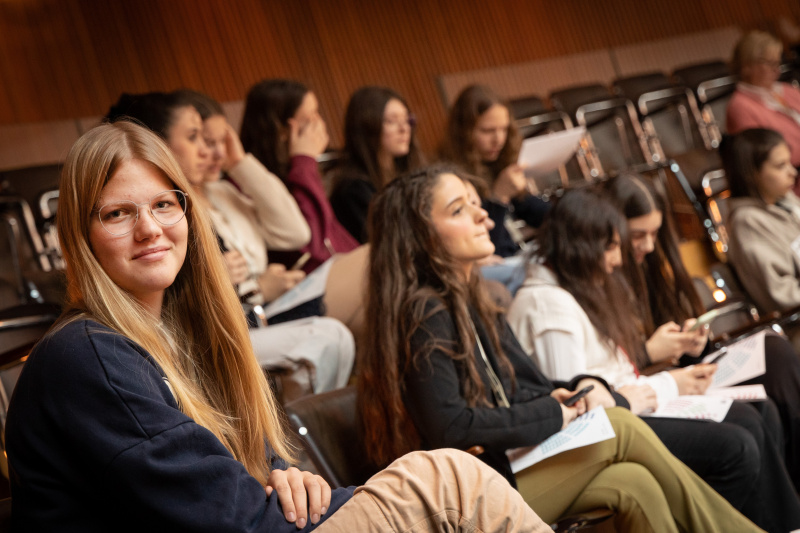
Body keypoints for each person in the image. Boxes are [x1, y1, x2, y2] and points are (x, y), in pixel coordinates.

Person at [5, 121, 553, 533]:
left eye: (164, 204)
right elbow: (233, 521)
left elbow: (243, 475)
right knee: (450, 482)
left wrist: (280, 473)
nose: (149, 228)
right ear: (80, 236)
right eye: (117, 214)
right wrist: (335, 500)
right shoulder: (87, 353)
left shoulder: (180, 338)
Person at [359, 165, 760, 532]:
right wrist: (555, 412)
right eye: (459, 209)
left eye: (476, 203)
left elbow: (524, 385)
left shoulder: (475, 296)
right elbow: (451, 426)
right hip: (466, 497)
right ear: (421, 234)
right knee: (619, 426)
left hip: (503, 468)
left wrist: (575, 389)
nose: (483, 216)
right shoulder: (424, 311)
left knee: (634, 483)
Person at [506, 187, 800, 532]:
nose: (618, 259)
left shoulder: (576, 288)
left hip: (633, 404)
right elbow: (581, 408)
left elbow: (614, 371)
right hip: (605, 431)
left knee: (759, 410)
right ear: (581, 247)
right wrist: (668, 383)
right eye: (612, 246)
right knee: (737, 445)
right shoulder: (547, 304)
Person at [106, 91, 354, 394]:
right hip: (236, 320)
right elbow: (180, 303)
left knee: (349, 309)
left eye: (216, 140)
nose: (209, 151)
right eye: (196, 138)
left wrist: (239, 162)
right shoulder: (176, 215)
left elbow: (295, 233)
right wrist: (255, 288)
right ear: (159, 146)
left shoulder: (220, 192)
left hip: (252, 311)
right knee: (329, 337)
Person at [604, 171, 800, 487]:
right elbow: (608, 371)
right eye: (638, 235)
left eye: (654, 233)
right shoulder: (599, 279)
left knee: (773, 351)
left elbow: (677, 344)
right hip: (650, 391)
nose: (649, 245)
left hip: (683, 374)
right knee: (755, 413)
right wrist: (648, 352)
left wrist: (693, 343)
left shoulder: (653, 266)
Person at [240, 79, 359, 272]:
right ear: (281, 130)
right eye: (309, 118)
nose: (319, 124)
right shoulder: (250, 184)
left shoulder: (300, 167)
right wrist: (304, 161)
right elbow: (314, 247)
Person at [439, 84, 550, 258]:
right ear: (463, 132)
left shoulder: (496, 162)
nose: (498, 139)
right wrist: (498, 198)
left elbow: (533, 211)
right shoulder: (449, 178)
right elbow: (485, 246)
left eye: (504, 129)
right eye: (488, 131)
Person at [328, 86, 425, 243]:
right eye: (392, 121)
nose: (404, 128)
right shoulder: (352, 190)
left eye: (407, 120)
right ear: (367, 127)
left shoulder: (411, 172)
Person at [723, 128, 800, 315]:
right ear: (752, 174)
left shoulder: (785, 200)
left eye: (789, 163)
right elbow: (782, 297)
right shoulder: (748, 222)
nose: (792, 172)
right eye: (780, 166)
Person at [727, 31, 800, 181]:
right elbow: (763, 162)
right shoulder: (740, 107)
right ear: (747, 66)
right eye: (770, 63)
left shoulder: (788, 90)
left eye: (778, 63)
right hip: (790, 182)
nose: (777, 70)